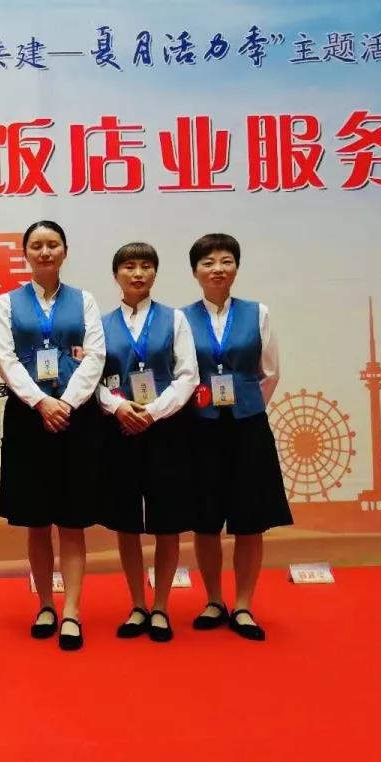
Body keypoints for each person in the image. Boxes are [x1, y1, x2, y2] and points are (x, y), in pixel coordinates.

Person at [0, 220, 105, 651]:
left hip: (75, 418)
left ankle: (72, 610)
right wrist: (41, 402)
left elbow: (95, 357)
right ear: (25, 253)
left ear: (64, 251)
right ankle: (44, 605)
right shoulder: (7, 303)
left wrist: (66, 404)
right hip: (28, 418)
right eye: (36, 245)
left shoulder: (85, 301)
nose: (44, 252)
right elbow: (6, 359)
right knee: (36, 521)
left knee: (72, 522)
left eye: (52, 244)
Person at [183, 233, 292, 641]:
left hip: (247, 427)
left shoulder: (257, 313)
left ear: (236, 268)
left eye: (226, 261)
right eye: (208, 262)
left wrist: (245, 404)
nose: (217, 269)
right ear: (195, 271)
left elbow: (270, 372)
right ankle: (214, 600)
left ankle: (243, 605)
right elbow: (181, 374)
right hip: (199, 428)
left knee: (250, 521)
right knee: (205, 521)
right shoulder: (181, 319)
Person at [96, 242, 198, 643]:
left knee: (166, 521)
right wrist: (118, 408)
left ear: (155, 272)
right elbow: (91, 378)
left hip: (166, 430)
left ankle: (161, 607)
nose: (137, 273)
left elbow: (187, 375)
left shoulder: (175, 319)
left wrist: (152, 412)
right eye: (129, 266)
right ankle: (137, 604)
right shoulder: (100, 323)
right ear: (116, 275)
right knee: (126, 522)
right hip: (119, 429)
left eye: (145, 266)